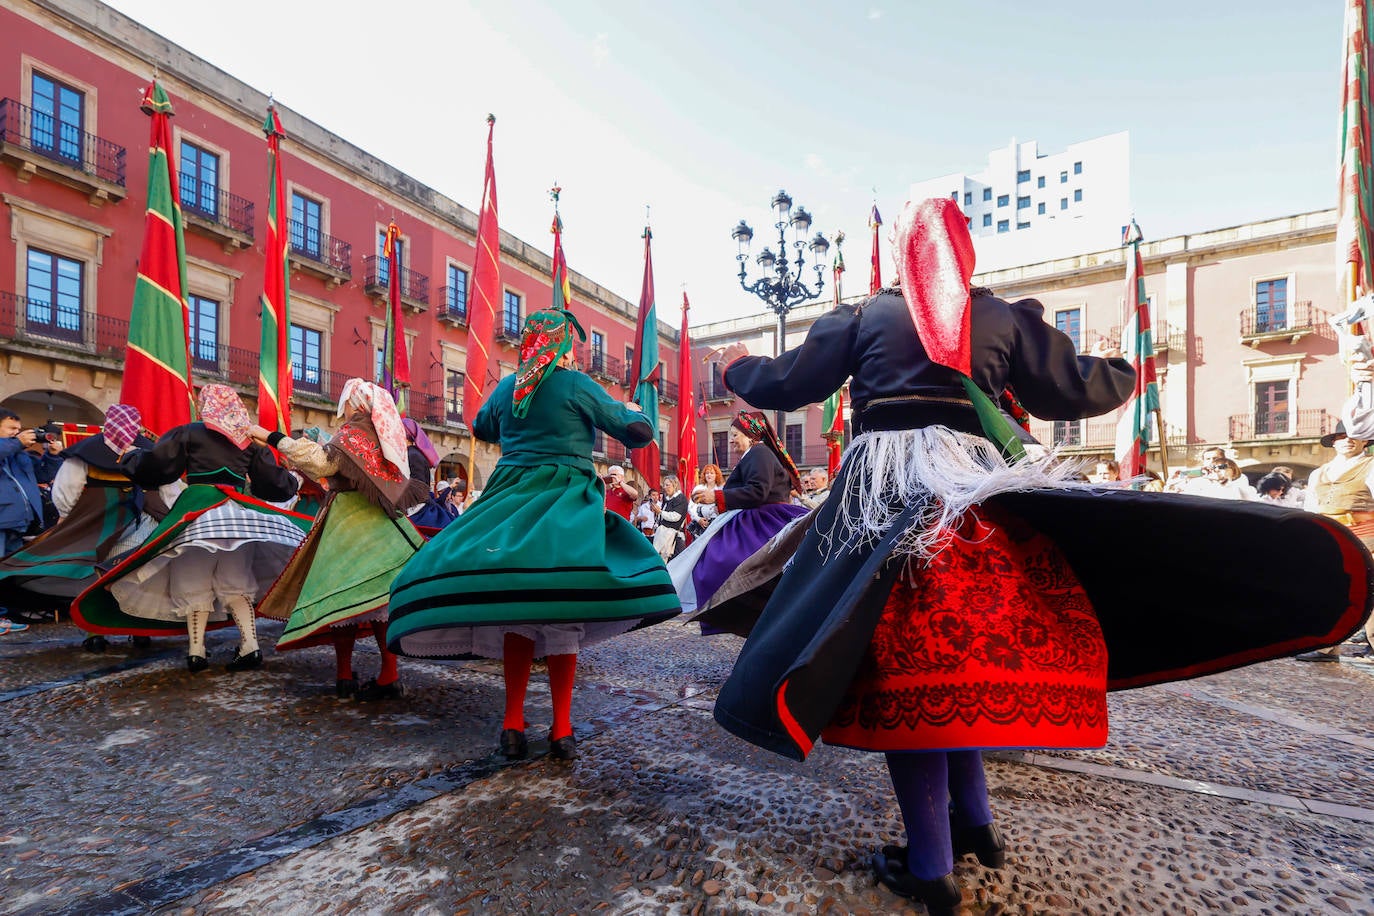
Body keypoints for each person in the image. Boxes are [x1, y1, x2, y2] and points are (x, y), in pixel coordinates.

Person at [702, 198, 1373, 913]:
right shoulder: (999, 317)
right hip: (974, 493)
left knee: (901, 674)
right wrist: (1126, 367)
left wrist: (741, 367)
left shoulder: (865, 316)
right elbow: (1069, 389)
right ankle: (979, 825)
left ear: (901, 254)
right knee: (956, 669)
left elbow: (789, 383)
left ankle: (930, 866)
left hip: (881, 491)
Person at [387, 309, 681, 761]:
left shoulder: (508, 387)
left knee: (519, 613)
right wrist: (635, 414)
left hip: (510, 497)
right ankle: (562, 728)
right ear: (563, 346)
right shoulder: (574, 384)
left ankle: (511, 722)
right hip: (563, 500)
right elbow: (633, 431)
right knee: (562, 612)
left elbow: (482, 426)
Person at [71, 385, 310, 672]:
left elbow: (159, 469)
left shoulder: (188, 432)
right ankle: (250, 647)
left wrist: (134, 458)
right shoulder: (248, 439)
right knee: (236, 580)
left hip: (197, 509)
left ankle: (196, 652)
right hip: (236, 516)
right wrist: (294, 480)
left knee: (192, 577)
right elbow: (272, 484)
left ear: (204, 405)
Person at [254, 379, 428, 699]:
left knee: (341, 599)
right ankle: (389, 674)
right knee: (379, 603)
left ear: (355, 404)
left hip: (348, 523)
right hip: (382, 524)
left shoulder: (352, 432)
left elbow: (321, 463)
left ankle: (344, 675)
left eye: (345, 402)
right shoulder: (382, 435)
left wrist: (272, 437)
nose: (341, 408)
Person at [0, 404, 183, 650]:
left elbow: (66, 490)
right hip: (135, 521)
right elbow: (170, 490)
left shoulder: (86, 452)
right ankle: (132, 629)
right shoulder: (149, 451)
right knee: (133, 574)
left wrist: (71, 518)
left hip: (97, 522)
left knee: (94, 574)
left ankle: (95, 633)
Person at [667, 410, 809, 616]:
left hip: (763, 518)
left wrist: (717, 496)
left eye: (735, 435)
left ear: (750, 436)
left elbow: (758, 490)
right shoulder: (754, 454)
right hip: (759, 516)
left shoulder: (759, 453)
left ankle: (730, 608)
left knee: (722, 559)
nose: (731, 440)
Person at [1295, 418, 1374, 662]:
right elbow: (1311, 507)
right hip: (1330, 537)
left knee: (1370, 591)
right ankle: (1327, 647)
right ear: (1334, 442)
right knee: (1331, 591)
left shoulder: (1372, 466)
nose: (1347, 440)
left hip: (1367, 534)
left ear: (1365, 440)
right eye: (1342, 436)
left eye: (1354, 435)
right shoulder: (1319, 472)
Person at [0, 409, 59, 556]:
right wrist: (17, 443)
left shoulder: (19, 454)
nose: (17, 433)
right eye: (12, 428)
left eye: (19, 429)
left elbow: (44, 476)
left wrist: (52, 456)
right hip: (2, 522)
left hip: (19, 524)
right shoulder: (11, 448)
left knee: (9, 572)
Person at [654, 475, 688, 561]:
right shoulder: (667, 499)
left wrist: (660, 512)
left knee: (675, 563)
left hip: (673, 537)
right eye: (664, 485)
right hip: (663, 535)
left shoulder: (680, 499)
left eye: (667, 485)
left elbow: (676, 516)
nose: (665, 488)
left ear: (675, 485)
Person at [686, 463, 723, 536]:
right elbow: (691, 506)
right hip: (699, 524)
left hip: (716, 525)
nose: (709, 475)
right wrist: (698, 519)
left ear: (716, 475)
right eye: (707, 473)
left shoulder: (721, 489)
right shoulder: (698, 488)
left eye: (712, 473)